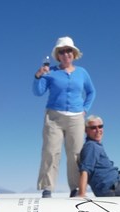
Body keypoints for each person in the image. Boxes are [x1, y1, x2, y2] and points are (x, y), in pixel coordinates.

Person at [33, 36, 96, 198]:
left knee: (75, 154)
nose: (66, 54)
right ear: (58, 55)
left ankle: (75, 189)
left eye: (69, 50)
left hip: (76, 119)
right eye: (62, 51)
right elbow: (38, 92)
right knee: (50, 151)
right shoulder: (51, 72)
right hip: (54, 117)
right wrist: (38, 76)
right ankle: (47, 189)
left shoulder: (82, 72)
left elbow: (91, 92)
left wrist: (84, 109)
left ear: (74, 53)